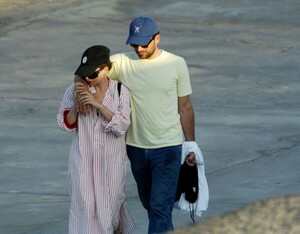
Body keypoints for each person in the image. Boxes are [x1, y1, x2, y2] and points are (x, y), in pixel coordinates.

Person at [77, 16, 197, 234]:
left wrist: (191, 145)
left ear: (157, 38)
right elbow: (85, 72)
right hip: (135, 148)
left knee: (160, 207)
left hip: (168, 147)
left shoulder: (176, 63)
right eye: (135, 44)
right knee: (150, 205)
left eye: (144, 43)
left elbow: (185, 107)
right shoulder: (122, 62)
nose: (139, 48)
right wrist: (80, 91)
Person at [57, 45, 134, 234]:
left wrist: (98, 105)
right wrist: (77, 103)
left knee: (110, 209)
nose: (88, 78)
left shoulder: (119, 91)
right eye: (85, 74)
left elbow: (122, 125)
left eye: (92, 73)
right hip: (83, 161)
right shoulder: (75, 90)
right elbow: (65, 123)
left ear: (106, 68)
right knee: (84, 208)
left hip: (111, 162)